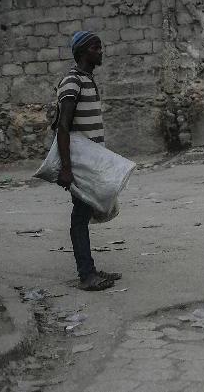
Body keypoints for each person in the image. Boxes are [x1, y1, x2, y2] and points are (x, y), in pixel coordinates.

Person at [56, 31, 121, 291]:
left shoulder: (87, 80)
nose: (101, 52)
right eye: (96, 48)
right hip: (80, 163)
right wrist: (67, 169)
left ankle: (89, 270)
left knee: (84, 214)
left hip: (91, 162)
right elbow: (62, 126)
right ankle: (86, 275)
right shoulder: (72, 81)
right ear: (83, 52)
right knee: (80, 216)